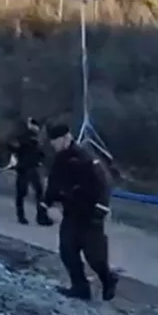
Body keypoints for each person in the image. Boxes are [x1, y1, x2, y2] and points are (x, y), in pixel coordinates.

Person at [42, 123, 118, 301]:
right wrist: (45, 205)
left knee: (95, 256)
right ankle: (80, 288)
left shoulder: (85, 157)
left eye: (56, 140)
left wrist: (101, 209)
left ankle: (109, 279)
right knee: (67, 251)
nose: (53, 144)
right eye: (52, 141)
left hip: (90, 214)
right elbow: (54, 183)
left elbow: (103, 184)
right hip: (71, 212)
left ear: (67, 138)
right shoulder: (59, 160)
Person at [7, 117, 54, 226]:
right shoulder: (27, 137)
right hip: (26, 168)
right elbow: (16, 147)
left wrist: (40, 158)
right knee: (30, 193)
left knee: (30, 193)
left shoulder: (32, 138)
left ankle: (27, 216)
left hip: (29, 167)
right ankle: (35, 216)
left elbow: (36, 152)